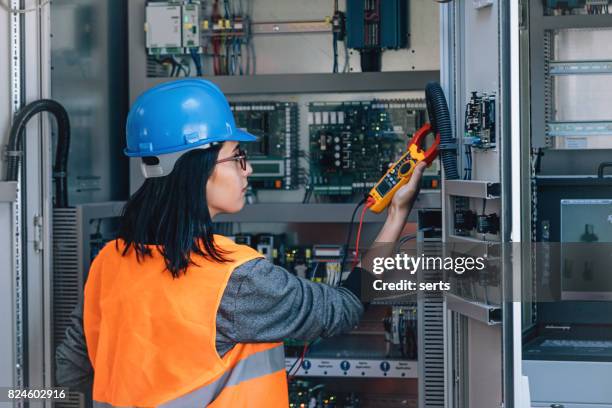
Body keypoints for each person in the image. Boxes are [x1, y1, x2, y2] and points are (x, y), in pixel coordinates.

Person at [55, 79, 426, 407]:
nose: (247, 170)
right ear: (196, 169)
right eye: (237, 158)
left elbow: (72, 372)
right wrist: (395, 217)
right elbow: (344, 307)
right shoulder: (234, 278)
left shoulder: (108, 261)